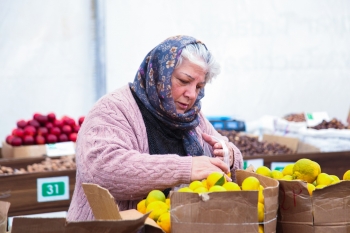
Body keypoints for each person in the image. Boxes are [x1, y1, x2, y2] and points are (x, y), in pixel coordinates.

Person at [67, 35, 243, 221]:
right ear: (160, 73)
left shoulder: (191, 118)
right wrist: (185, 168)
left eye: (199, 87)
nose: (191, 94)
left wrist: (229, 155)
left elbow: (232, 158)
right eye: (183, 81)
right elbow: (101, 169)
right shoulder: (113, 109)